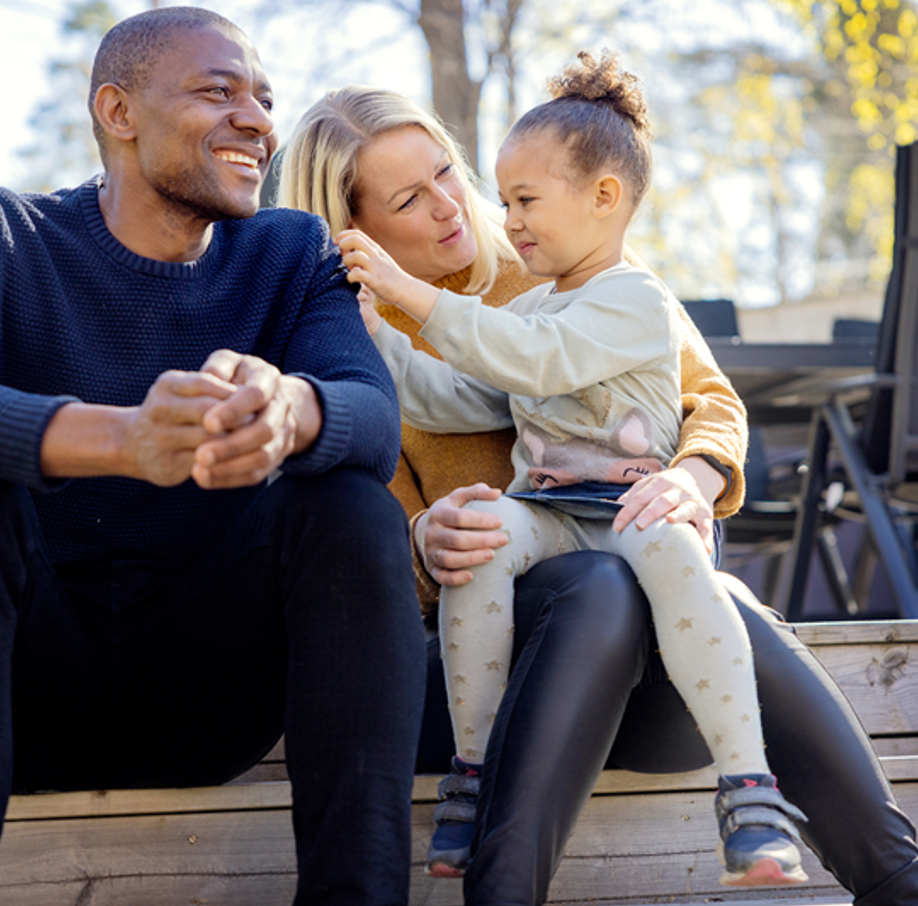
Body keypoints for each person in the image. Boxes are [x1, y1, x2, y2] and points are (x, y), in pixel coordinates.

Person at [280, 87, 918, 906]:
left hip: (647, 659)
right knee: (602, 586)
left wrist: (691, 478)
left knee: (703, 592)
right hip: (481, 668)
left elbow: (711, 401)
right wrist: (421, 541)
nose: (454, 204)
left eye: (448, 173)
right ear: (358, 234)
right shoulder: (351, 340)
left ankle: (895, 885)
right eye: (411, 199)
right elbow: (356, 546)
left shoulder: (562, 266)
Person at [0, 8, 425, 905]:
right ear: (119, 111)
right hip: (14, 698)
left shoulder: (292, 251)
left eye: (265, 99)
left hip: (210, 696)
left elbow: (371, 415)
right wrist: (123, 440)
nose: (259, 120)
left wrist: (289, 411)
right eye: (217, 91)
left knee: (350, 502)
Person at [337, 50, 808, 888]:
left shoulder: (632, 298)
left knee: (680, 561)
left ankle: (750, 787)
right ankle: (472, 774)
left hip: (629, 506)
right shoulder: (525, 303)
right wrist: (376, 338)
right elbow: (455, 396)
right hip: (552, 510)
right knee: (481, 534)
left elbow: (535, 358)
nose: (498, 216)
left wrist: (697, 477)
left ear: (603, 199)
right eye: (412, 198)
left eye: (521, 200)